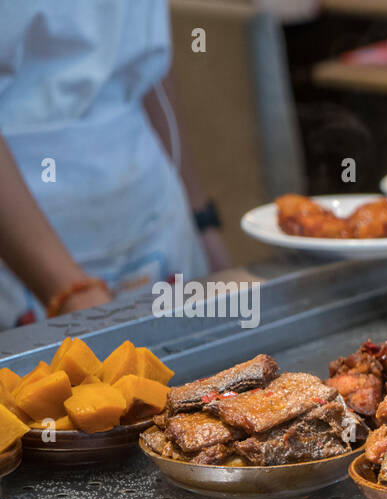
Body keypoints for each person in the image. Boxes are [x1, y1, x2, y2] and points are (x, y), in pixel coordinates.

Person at [0, 1, 226, 328]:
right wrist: (72, 293)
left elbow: (146, 62)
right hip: (26, 223)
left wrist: (200, 217)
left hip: (150, 205)